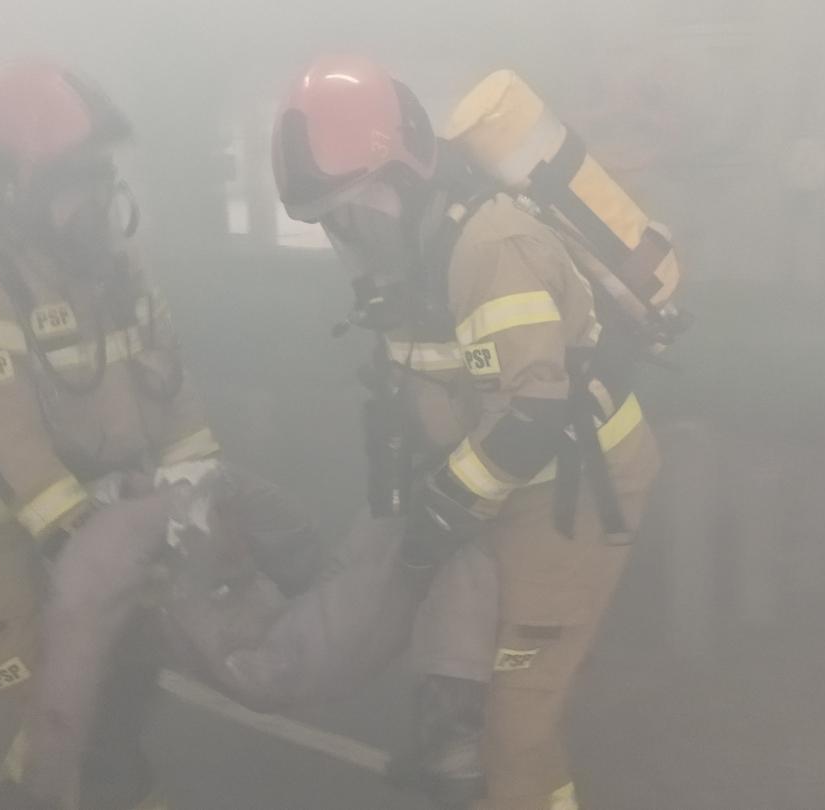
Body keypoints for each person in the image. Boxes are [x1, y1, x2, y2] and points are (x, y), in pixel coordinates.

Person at [271, 55, 662, 810]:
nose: (347, 237)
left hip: (576, 499)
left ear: (403, 177)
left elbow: (533, 415)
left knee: (513, 727)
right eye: (332, 224)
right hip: (523, 490)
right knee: (520, 722)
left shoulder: (489, 249)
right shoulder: (410, 265)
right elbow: (428, 393)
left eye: (352, 212)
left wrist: (446, 503)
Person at [0, 60, 218, 810]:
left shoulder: (114, 266)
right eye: (76, 179)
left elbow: (171, 392)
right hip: (0, 532)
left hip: (100, 515)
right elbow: (5, 439)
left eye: (101, 174)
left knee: (121, 692)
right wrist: (87, 543)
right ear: (16, 185)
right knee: (46, 698)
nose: (99, 199)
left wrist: (198, 502)